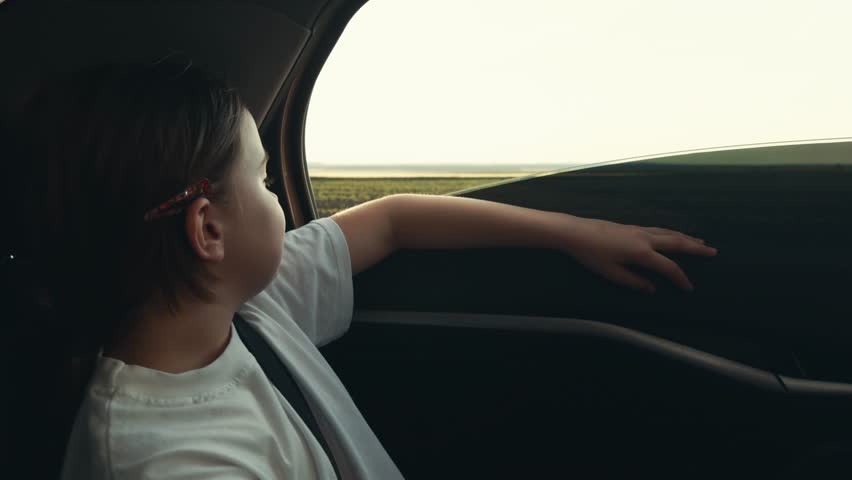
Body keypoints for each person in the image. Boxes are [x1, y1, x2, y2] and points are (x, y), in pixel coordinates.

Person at [22, 60, 716, 479]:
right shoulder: (168, 459)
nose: (278, 201)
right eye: (265, 180)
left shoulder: (245, 308)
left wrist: (574, 233)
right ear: (208, 229)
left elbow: (390, 218)